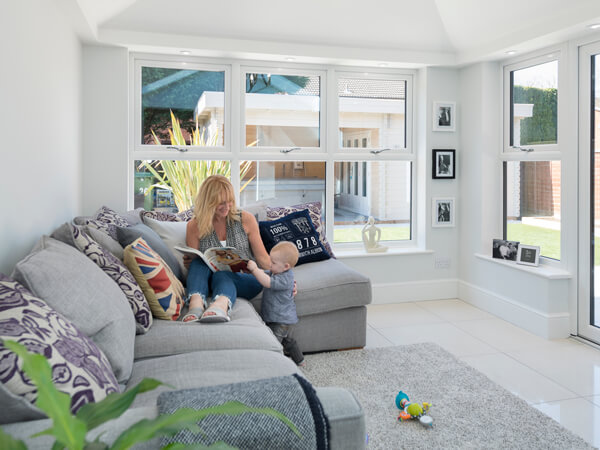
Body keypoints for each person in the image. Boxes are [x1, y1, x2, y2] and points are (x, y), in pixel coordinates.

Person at [182, 175, 270, 323]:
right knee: (199, 263)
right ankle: (196, 305)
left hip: (245, 279)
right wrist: (190, 263)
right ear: (208, 201)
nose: (227, 207)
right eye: (221, 203)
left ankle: (220, 306)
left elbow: (263, 259)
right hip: (210, 281)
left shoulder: (246, 219)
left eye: (230, 201)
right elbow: (195, 265)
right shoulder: (194, 226)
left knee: (222, 275)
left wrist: (284, 278)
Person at [246, 241, 305, 367]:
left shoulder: (285, 279)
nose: (270, 265)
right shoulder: (277, 271)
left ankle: (276, 365)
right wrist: (254, 272)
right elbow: (266, 274)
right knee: (287, 341)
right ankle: (299, 360)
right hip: (274, 316)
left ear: (286, 266)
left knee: (274, 343)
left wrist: (255, 269)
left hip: (282, 319)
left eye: (273, 263)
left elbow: (267, 282)